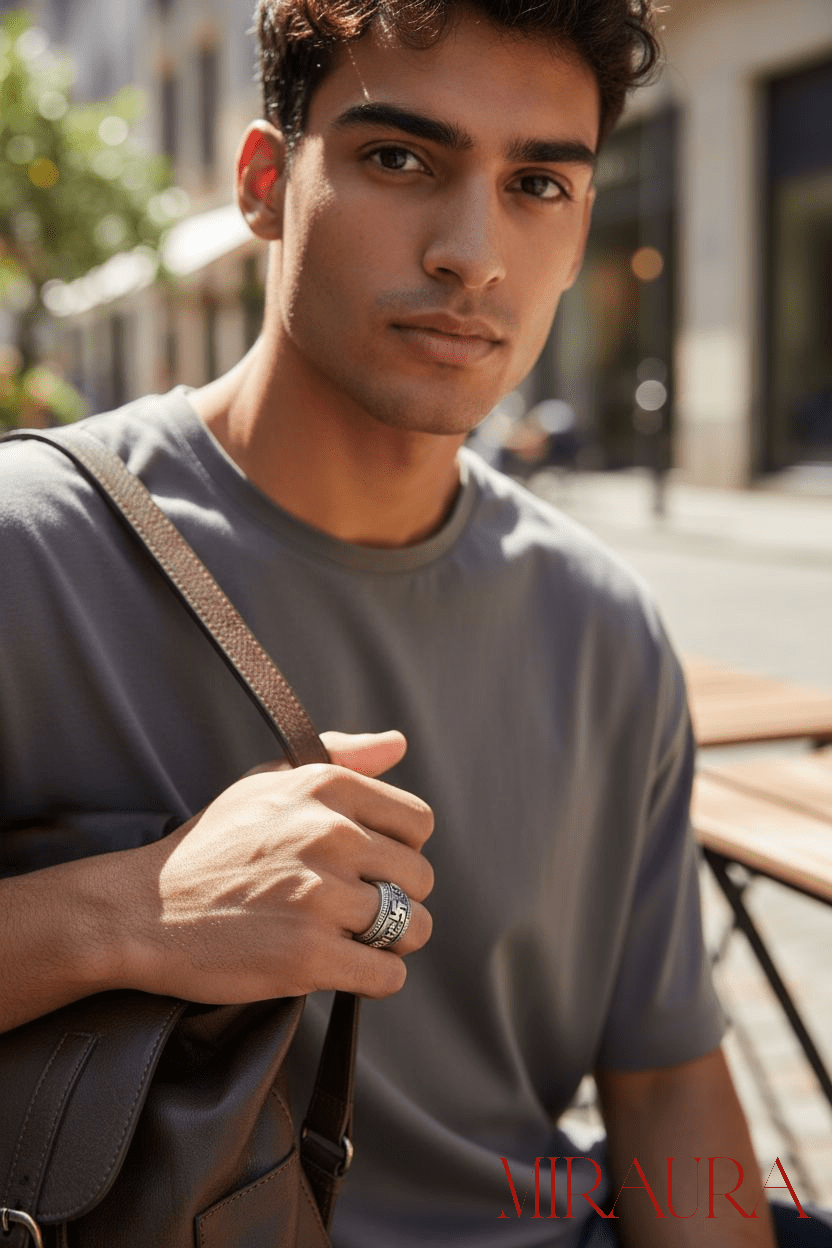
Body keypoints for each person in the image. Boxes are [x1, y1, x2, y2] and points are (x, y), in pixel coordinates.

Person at [0, 1, 826, 1244]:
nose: (472, 252)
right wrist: (127, 913)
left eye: (539, 182)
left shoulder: (603, 624)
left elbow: (662, 1087)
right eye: (400, 159)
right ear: (268, 183)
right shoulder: (30, 549)